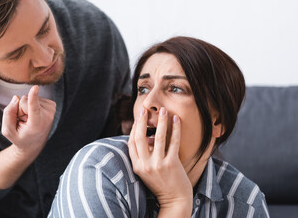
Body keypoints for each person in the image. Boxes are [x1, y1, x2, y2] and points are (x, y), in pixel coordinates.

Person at [0, 0, 130, 217]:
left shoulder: (94, 29)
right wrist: (22, 152)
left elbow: (125, 116)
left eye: (44, 28)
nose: (47, 58)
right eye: (17, 54)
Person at [48, 36, 271, 217]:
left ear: (218, 121)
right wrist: (175, 203)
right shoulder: (97, 170)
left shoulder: (245, 203)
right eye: (143, 89)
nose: (149, 102)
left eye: (175, 88)